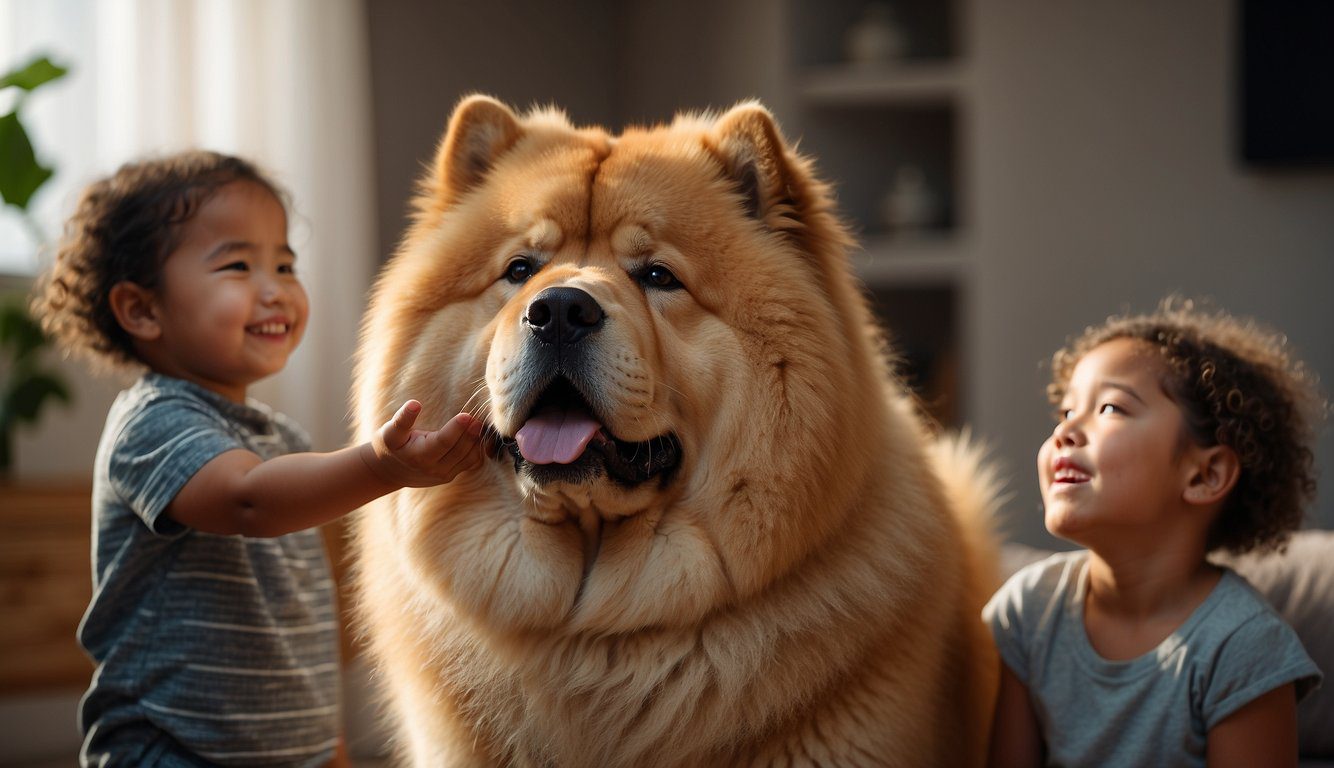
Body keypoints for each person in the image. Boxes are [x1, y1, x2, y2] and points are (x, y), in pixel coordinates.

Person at [31, 150, 484, 767]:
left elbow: (300, 621)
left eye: (285, 264)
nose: (275, 290)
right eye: (239, 265)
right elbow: (247, 501)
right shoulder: (153, 421)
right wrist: (380, 468)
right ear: (142, 309)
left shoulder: (280, 438)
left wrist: (329, 746)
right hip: (170, 749)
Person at [984, 298, 1324, 768]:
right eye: (1064, 413)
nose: (1065, 433)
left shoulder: (1245, 647)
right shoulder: (1029, 611)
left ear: (1204, 475)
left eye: (1110, 408)